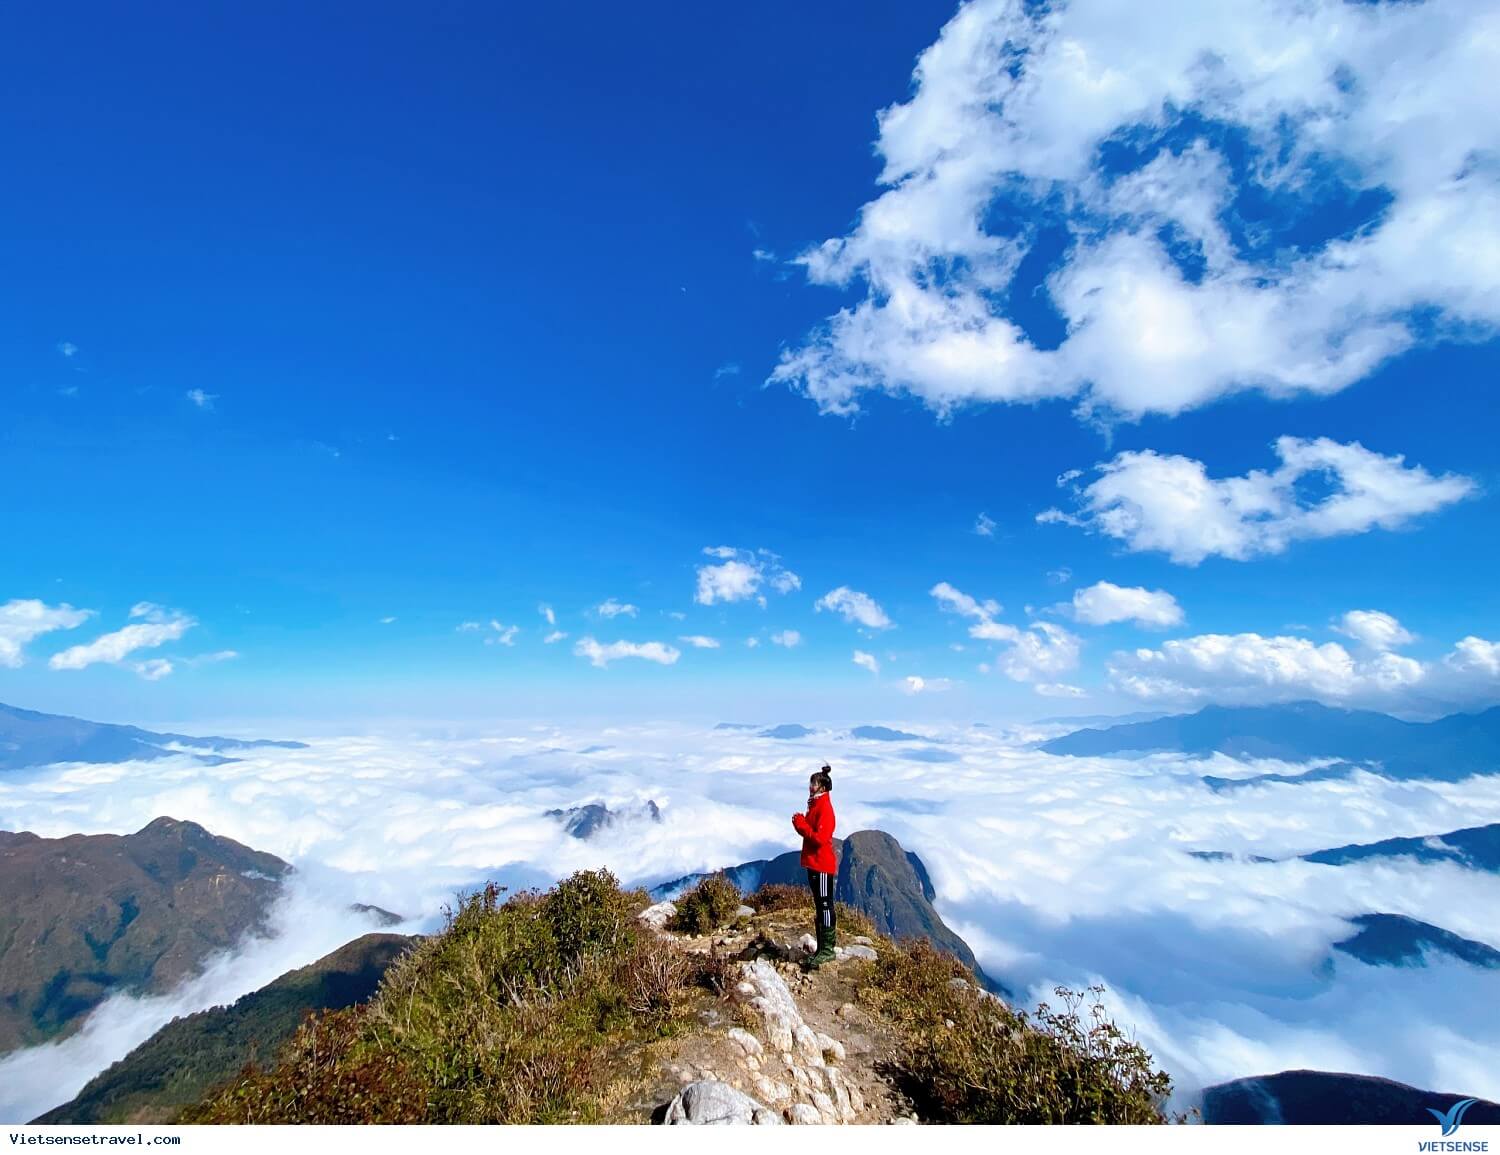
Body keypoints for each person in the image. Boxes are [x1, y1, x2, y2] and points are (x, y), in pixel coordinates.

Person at [791, 763, 837, 969]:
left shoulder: (824, 808)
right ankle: (822, 948)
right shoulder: (816, 805)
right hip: (815, 863)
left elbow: (820, 838)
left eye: (814, 783)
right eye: (811, 782)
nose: (810, 786)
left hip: (822, 865)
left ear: (823, 787)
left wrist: (801, 824)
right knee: (820, 904)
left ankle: (827, 950)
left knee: (825, 905)